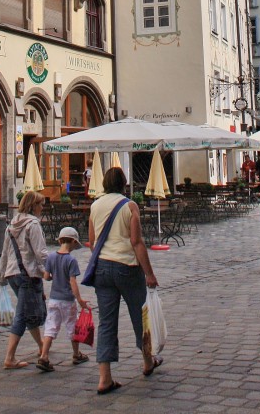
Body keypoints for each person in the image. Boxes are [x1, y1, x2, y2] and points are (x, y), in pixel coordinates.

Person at [88, 166, 159, 395]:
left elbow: (91, 241)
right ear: (123, 183)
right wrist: (149, 273)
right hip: (127, 267)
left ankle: (104, 377)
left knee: (106, 322)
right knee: (140, 315)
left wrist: (102, 264)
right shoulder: (129, 206)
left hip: (102, 268)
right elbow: (136, 242)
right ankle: (148, 361)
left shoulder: (95, 205)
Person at [0, 190, 48, 369]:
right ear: (33, 206)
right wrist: (51, 270)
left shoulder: (12, 224)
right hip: (27, 274)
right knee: (22, 315)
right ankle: (9, 357)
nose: (42, 208)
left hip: (13, 274)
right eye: (41, 204)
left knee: (27, 311)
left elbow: (5, 252)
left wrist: (2, 275)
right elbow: (40, 253)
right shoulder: (33, 224)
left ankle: (42, 346)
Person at [37, 226, 91, 372]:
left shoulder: (51, 257)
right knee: (72, 326)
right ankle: (76, 354)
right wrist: (79, 299)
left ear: (60, 240)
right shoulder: (71, 260)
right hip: (67, 300)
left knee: (51, 327)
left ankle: (44, 355)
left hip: (53, 299)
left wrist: (55, 276)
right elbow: (73, 282)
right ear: (73, 242)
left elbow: (46, 276)